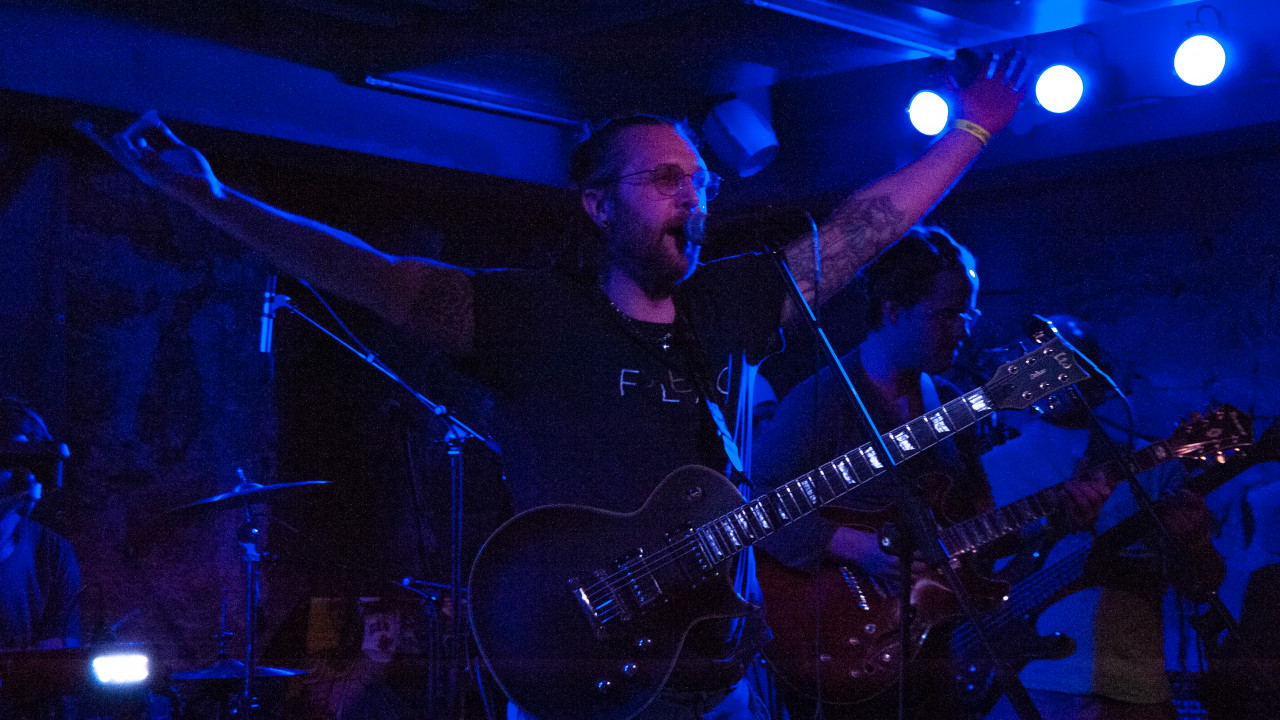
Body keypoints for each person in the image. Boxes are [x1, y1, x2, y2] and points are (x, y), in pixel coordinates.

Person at [99, 53, 1026, 719]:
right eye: (666, 180)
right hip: (572, 656)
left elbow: (866, 228)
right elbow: (376, 275)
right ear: (598, 204)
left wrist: (975, 131)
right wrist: (214, 200)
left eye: (698, 181)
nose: (693, 198)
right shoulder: (531, 317)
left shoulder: (727, 307)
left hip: (711, 669)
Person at [750, 229, 1111, 720]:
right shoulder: (821, 401)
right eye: (949, 314)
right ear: (893, 309)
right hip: (834, 638)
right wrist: (864, 549)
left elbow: (976, 531)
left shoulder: (952, 404)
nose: (964, 329)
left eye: (970, 314)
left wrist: (1056, 516)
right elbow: (753, 513)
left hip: (928, 648)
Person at [981, 317, 1228, 720]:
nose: (1062, 374)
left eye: (1072, 359)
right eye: (1044, 363)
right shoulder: (992, 467)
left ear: (1099, 369)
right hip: (1026, 683)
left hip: (1137, 687)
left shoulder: (1155, 464)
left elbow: (1200, 588)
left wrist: (1197, 541)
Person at [0, 396, 80, 652]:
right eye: (14, 458)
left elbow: (54, 669)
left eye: (35, 460)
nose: (28, 474)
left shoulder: (53, 554)